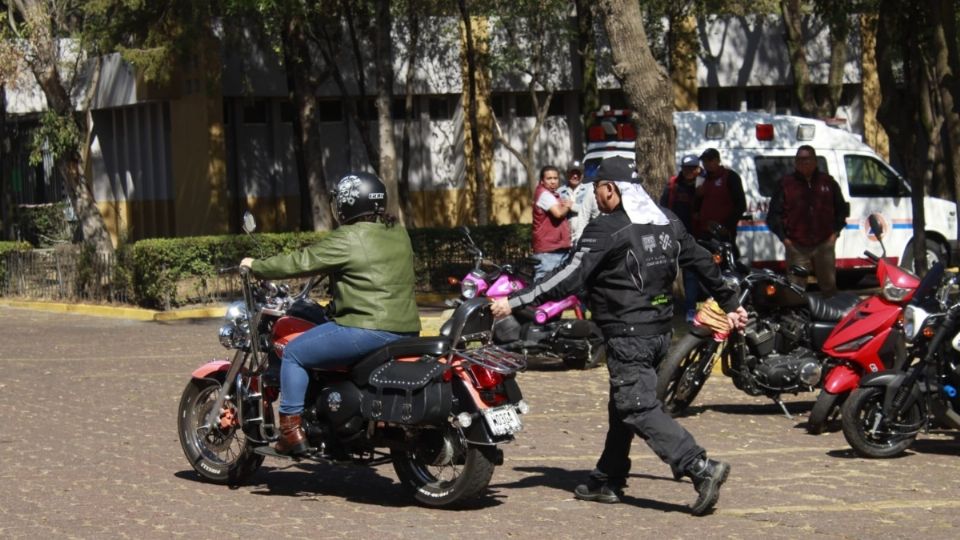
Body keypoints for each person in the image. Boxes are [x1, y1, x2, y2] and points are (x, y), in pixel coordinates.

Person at [491, 156, 748, 516]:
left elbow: (567, 277)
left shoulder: (607, 228)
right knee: (622, 405)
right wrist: (731, 301)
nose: (595, 195)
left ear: (611, 189)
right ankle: (606, 479)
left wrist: (514, 300)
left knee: (635, 406)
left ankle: (699, 467)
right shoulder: (666, 220)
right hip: (658, 333)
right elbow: (702, 260)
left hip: (629, 333)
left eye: (597, 188)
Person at [239, 172, 421, 456]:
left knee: (295, 353)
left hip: (366, 328)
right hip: (407, 329)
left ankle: (289, 431)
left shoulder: (348, 237)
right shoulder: (398, 233)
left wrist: (257, 266)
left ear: (347, 203)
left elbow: (302, 261)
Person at [766, 145, 849, 297]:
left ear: (815, 161)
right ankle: (795, 318)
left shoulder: (828, 182)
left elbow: (841, 210)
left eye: (807, 159)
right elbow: (773, 216)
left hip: (824, 244)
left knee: (829, 287)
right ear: (795, 162)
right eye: (799, 159)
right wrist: (785, 240)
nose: (803, 162)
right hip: (796, 246)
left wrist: (834, 235)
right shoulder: (786, 184)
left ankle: (832, 317)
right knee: (795, 289)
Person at [661, 154, 704, 322]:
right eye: (686, 168)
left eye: (693, 168)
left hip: (696, 235)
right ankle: (664, 306)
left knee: (692, 273)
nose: (689, 172)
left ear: (698, 169)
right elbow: (663, 207)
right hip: (673, 234)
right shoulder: (673, 186)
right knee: (667, 270)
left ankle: (691, 309)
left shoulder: (703, 185)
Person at [695, 148, 746, 247]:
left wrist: (727, 226)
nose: (707, 163)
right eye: (704, 161)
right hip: (705, 230)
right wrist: (697, 198)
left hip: (723, 230)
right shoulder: (701, 178)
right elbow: (696, 205)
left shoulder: (730, 177)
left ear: (718, 160)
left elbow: (741, 205)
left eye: (710, 160)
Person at [532, 165, 573, 281]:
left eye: (555, 178)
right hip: (549, 252)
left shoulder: (552, 195)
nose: (553, 181)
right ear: (542, 181)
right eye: (549, 179)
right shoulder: (544, 195)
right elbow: (559, 213)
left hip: (556, 249)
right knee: (543, 286)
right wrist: (568, 206)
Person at [564, 160, 601, 247]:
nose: (575, 176)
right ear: (567, 174)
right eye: (572, 173)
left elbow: (595, 211)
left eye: (578, 173)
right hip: (565, 242)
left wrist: (573, 206)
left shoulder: (590, 190)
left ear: (583, 175)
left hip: (585, 239)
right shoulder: (560, 192)